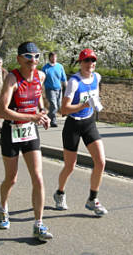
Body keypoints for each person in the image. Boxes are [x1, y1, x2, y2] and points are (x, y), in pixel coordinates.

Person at [0, 42, 53, 242]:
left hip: (29, 132)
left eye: (37, 57)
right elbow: (2, 111)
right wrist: (31, 117)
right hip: (11, 131)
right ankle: (3, 206)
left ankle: (38, 224)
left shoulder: (41, 76)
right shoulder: (12, 78)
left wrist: (43, 114)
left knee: (38, 177)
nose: (33, 61)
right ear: (19, 59)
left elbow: (41, 101)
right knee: (11, 178)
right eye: (28, 57)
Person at [53, 48, 107, 216]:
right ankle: (60, 193)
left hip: (89, 123)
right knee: (70, 166)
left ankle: (92, 199)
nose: (90, 64)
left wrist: (95, 103)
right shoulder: (74, 82)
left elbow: (94, 95)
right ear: (80, 63)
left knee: (100, 162)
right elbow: (64, 109)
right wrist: (84, 105)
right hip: (73, 125)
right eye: (86, 61)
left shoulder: (97, 77)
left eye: (92, 60)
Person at [42, 51, 67, 127]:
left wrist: (67, 88)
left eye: (55, 57)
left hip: (59, 89)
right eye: (52, 57)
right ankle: (53, 121)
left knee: (58, 105)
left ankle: (47, 117)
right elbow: (41, 79)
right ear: (50, 58)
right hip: (50, 89)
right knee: (54, 106)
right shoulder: (45, 68)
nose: (54, 58)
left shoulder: (60, 67)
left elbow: (64, 78)